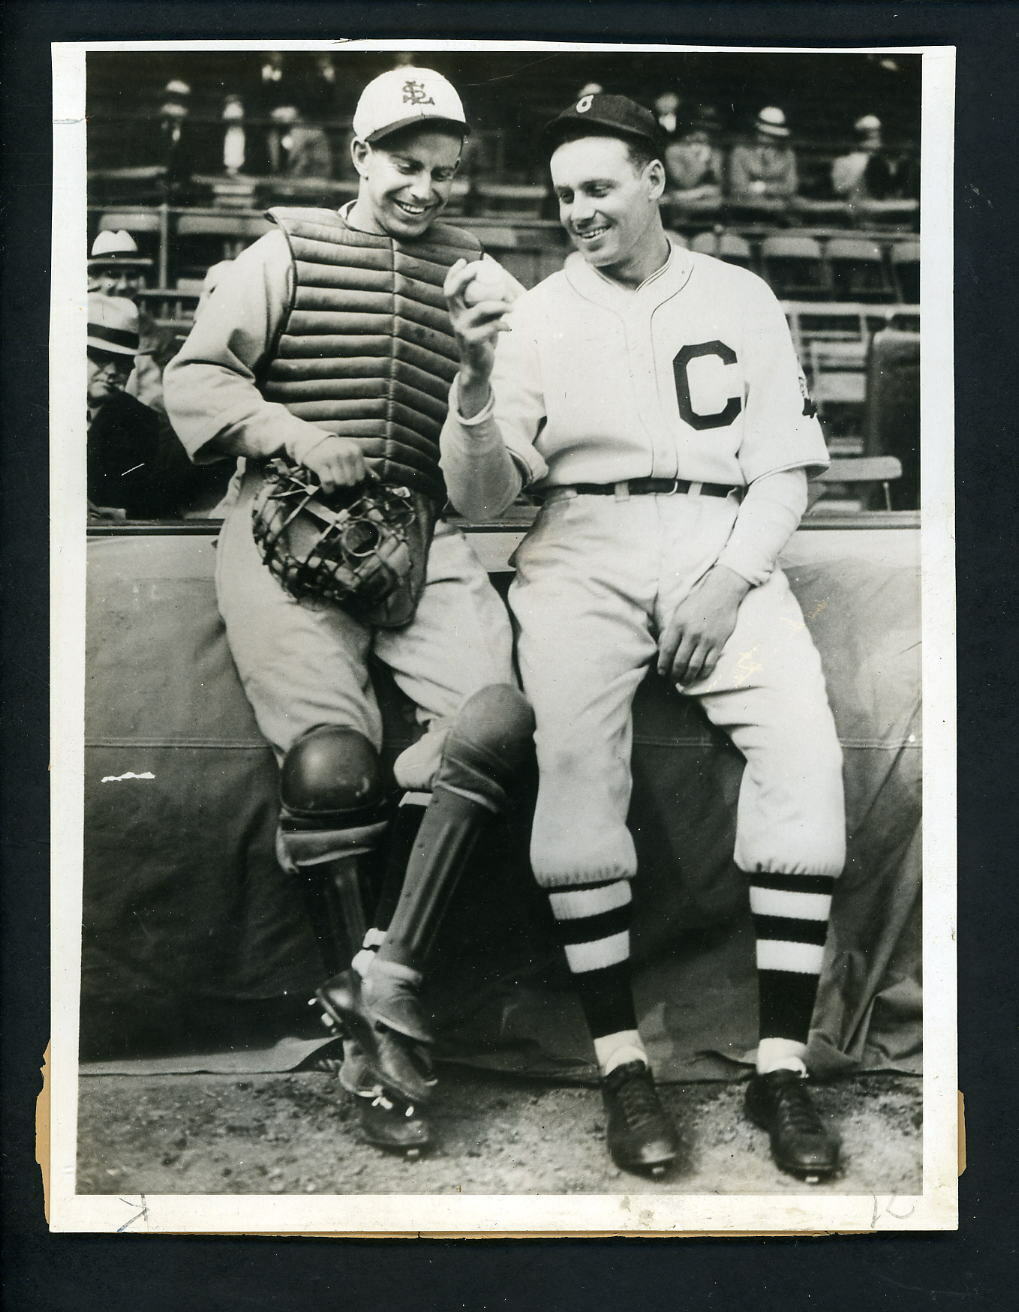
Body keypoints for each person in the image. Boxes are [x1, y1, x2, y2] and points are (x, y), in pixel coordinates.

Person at [440, 94, 846, 1183]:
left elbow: (782, 468)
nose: (577, 209)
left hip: (721, 541)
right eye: (563, 192)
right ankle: (622, 1063)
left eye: (598, 186)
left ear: (654, 178)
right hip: (580, 544)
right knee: (571, 760)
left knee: (802, 748)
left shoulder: (740, 295)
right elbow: (481, 500)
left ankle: (778, 1065)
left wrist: (725, 582)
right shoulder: (528, 316)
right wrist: (473, 389)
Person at [163, 67, 533, 1157]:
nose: (419, 186)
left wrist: (471, 381)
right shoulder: (283, 251)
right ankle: (375, 1059)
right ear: (358, 157)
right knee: (332, 765)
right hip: (288, 521)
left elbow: (482, 491)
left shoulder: (478, 282)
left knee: (498, 720)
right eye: (400, 164)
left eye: (438, 169)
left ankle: (384, 977)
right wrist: (287, 433)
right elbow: (193, 381)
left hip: (420, 528)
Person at [86, 293, 200, 519]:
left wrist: (120, 514)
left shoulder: (143, 423)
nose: (111, 372)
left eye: (122, 363)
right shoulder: (37, 408)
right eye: (100, 357)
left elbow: (157, 504)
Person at [88, 230, 178, 415]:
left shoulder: (157, 336)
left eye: (131, 276)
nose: (123, 285)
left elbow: (160, 401)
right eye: (112, 275)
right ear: (92, 279)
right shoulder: (70, 322)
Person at [728, 106, 799, 219]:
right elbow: (739, 187)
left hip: (779, 213)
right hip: (746, 212)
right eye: (764, 133)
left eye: (774, 136)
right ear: (757, 132)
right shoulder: (740, 152)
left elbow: (790, 187)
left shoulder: (788, 154)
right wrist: (776, 189)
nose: (769, 139)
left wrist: (761, 187)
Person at [663, 105, 725, 219]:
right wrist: (701, 161)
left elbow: (718, 182)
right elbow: (686, 183)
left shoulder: (715, 152)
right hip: (681, 206)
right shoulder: (675, 150)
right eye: (699, 129)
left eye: (708, 130)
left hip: (710, 205)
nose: (704, 135)